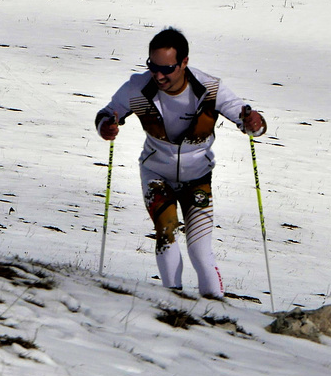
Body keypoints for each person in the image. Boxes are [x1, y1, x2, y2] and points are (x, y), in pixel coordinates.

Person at [95, 27, 266, 298]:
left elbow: (250, 122)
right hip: (155, 172)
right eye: (153, 66)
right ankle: (172, 301)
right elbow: (106, 113)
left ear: (184, 62)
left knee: (199, 248)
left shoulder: (209, 88)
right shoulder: (137, 87)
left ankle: (214, 308)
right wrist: (106, 126)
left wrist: (254, 123)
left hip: (197, 176)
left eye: (167, 68)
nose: (159, 75)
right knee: (166, 231)